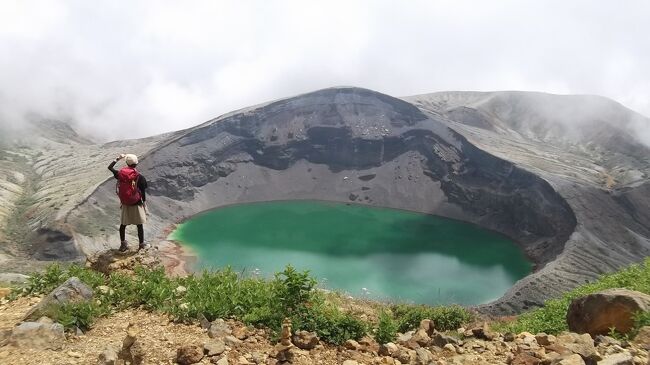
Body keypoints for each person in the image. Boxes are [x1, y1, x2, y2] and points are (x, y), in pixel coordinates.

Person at [108, 153, 149, 252]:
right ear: (136, 164)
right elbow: (143, 192)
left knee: (123, 225)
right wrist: (144, 204)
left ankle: (123, 245)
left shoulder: (120, 175)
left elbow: (110, 167)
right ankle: (141, 244)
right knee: (139, 225)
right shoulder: (140, 177)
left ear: (127, 163)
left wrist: (117, 158)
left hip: (125, 203)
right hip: (136, 203)